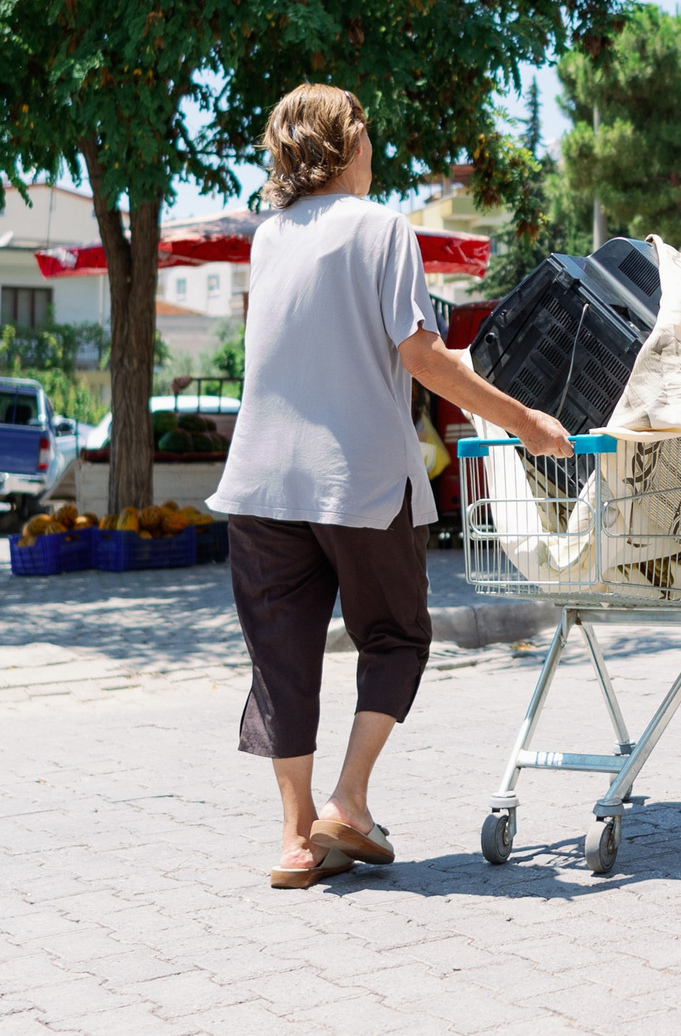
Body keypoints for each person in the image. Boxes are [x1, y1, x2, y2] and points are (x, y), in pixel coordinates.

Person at [210, 83, 572, 888]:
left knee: (282, 656)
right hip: (361, 480)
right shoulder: (382, 228)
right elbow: (422, 357)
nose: (373, 146)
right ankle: (349, 799)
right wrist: (523, 421)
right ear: (347, 145)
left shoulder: (268, 239)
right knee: (396, 636)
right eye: (365, 132)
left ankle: (297, 841)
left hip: (260, 482)